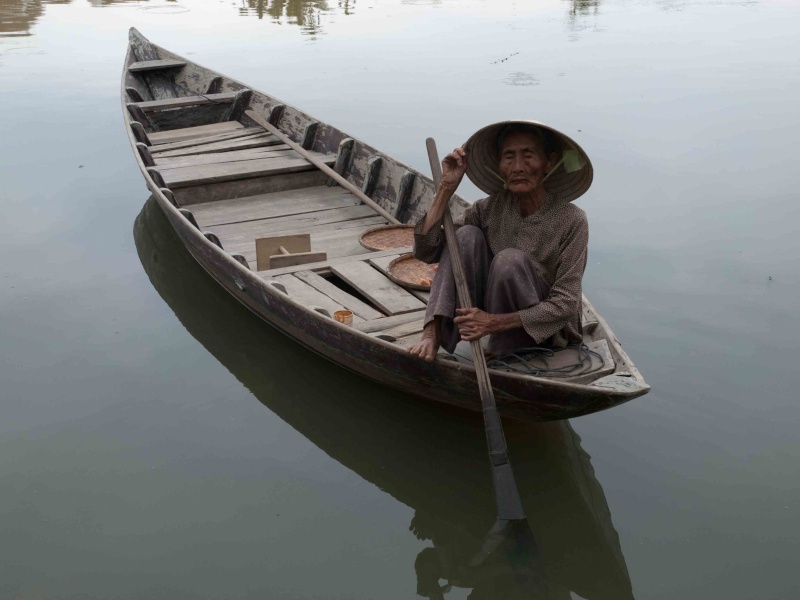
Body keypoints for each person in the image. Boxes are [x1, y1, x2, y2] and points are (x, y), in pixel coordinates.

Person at [408, 120, 593, 362]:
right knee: (463, 237)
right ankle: (433, 333)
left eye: (528, 156)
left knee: (509, 260)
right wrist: (446, 188)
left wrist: (493, 322)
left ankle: (504, 346)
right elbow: (426, 251)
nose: (518, 167)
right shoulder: (488, 209)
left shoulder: (572, 220)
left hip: (544, 333)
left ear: (548, 162)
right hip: (490, 319)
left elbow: (566, 303)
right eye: (509, 157)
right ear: (499, 164)